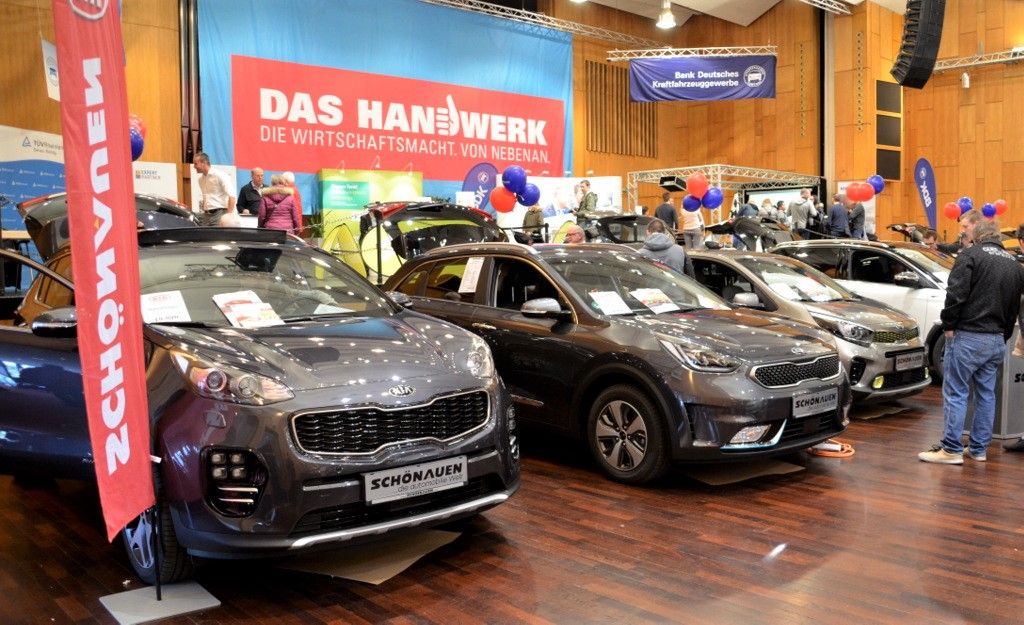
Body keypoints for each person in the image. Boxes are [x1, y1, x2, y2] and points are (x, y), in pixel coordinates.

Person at [919, 212, 1024, 464]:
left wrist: (948, 325)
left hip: (968, 335)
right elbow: (1015, 307)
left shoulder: (970, 256)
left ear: (977, 235)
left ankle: (951, 449)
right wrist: (1004, 334)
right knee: (986, 394)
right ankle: (978, 449)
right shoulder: (1014, 265)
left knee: (956, 392)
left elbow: (955, 294)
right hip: (996, 338)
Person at [192, 152, 236, 226]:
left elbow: (232, 196)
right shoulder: (200, 180)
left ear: (204, 163)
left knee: (218, 234)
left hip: (219, 214)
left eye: (196, 164)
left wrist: (228, 217)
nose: (194, 166)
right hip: (206, 215)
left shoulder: (220, 175)